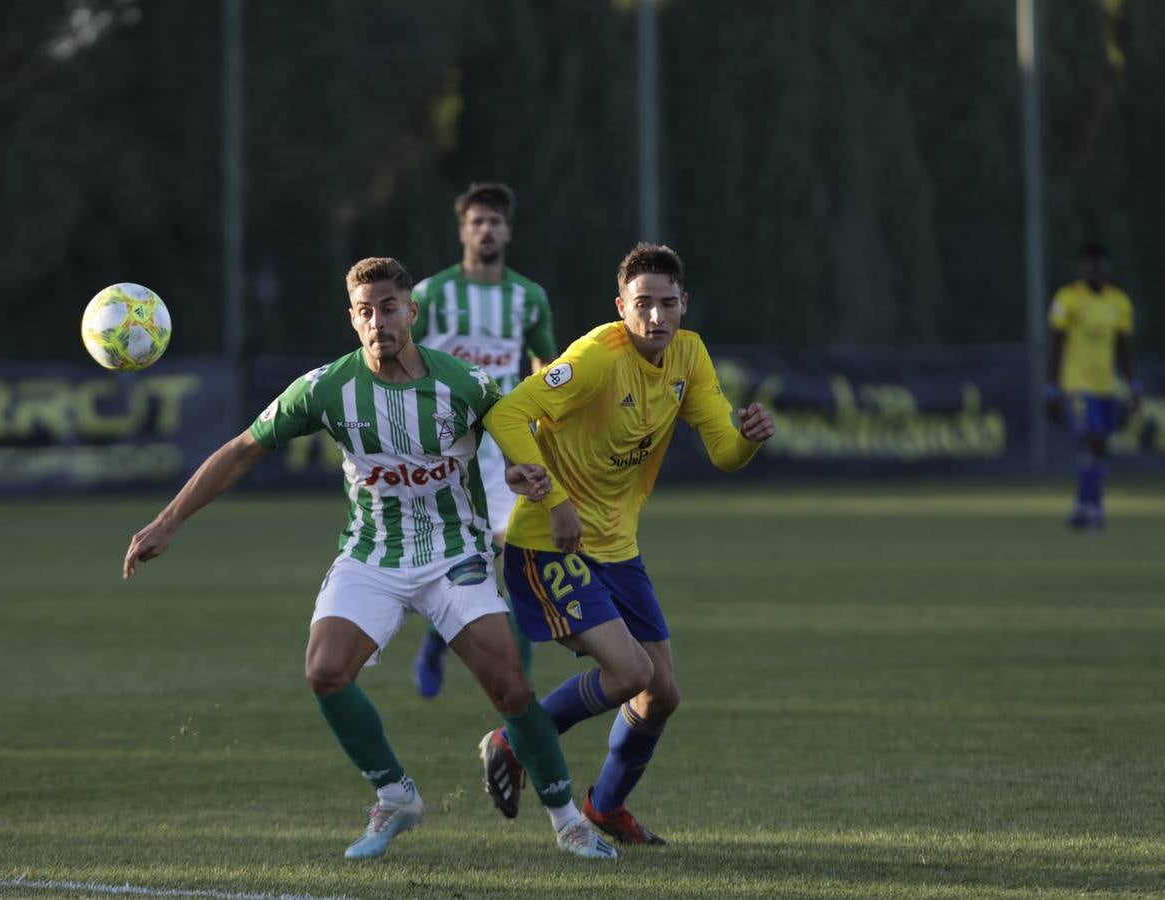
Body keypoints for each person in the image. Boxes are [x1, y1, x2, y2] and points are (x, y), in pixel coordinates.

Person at [122, 257, 615, 861]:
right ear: (353, 321)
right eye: (365, 311)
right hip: (371, 555)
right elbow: (243, 449)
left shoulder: (466, 383)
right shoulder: (328, 387)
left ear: (411, 311)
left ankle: (568, 821)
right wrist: (168, 520)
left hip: (455, 552)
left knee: (512, 690)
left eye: (388, 307)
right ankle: (395, 795)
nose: (378, 320)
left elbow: (520, 442)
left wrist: (528, 478)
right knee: (324, 672)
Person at [474, 243, 776, 845]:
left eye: (668, 304)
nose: (657, 318)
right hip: (548, 546)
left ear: (684, 304)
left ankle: (605, 807)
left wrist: (747, 440)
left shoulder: (689, 356)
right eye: (643, 305)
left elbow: (723, 451)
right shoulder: (595, 357)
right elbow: (507, 414)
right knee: (632, 670)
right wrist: (555, 500)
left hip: (618, 549)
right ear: (621, 306)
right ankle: (515, 738)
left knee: (662, 693)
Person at [409, 182, 559, 698]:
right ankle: (435, 641)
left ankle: (521, 689)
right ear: (462, 231)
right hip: (443, 448)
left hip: (503, 449)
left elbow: (547, 367)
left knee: (519, 562)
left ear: (507, 230)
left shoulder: (528, 297)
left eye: (495, 221)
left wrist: (546, 422)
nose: (487, 229)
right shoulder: (429, 295)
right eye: (477, 221)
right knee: (462, 566)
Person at [1045, 241, 1142, 529]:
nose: (1093, 269)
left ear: (1106, 267)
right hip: (1077, 384)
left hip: (1106, 386)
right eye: (1087, 264)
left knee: (1099, 448)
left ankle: (1079, 507)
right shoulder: (1068, 298)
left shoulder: (1119, 302)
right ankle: (1095, 510)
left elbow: (1125, 347)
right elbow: (1054, 344)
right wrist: (1050, 387)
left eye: (1098, 264)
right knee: (1093, 440)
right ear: (1081, 267)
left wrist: (1134, 386)